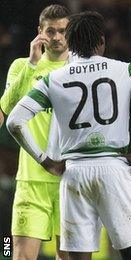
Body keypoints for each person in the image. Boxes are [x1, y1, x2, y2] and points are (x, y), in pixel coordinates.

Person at [6, 11, 131, 260]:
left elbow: (14, 121)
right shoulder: (125, 70)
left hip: (73, 172)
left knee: (74, 256)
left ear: (71, 41)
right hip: (113, 168)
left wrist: (44, 160)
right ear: (102, 42)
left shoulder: (54, 79)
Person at [0, 4, 70, 260]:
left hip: (70, 179)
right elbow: (5, 110)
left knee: (71, 257)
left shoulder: (80, 69)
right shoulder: (21, 66)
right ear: (40, 31)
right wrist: (32, 64)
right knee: (19, 255)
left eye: (63, 31)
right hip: (31, 180)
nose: (57, 37)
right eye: (51, 31)